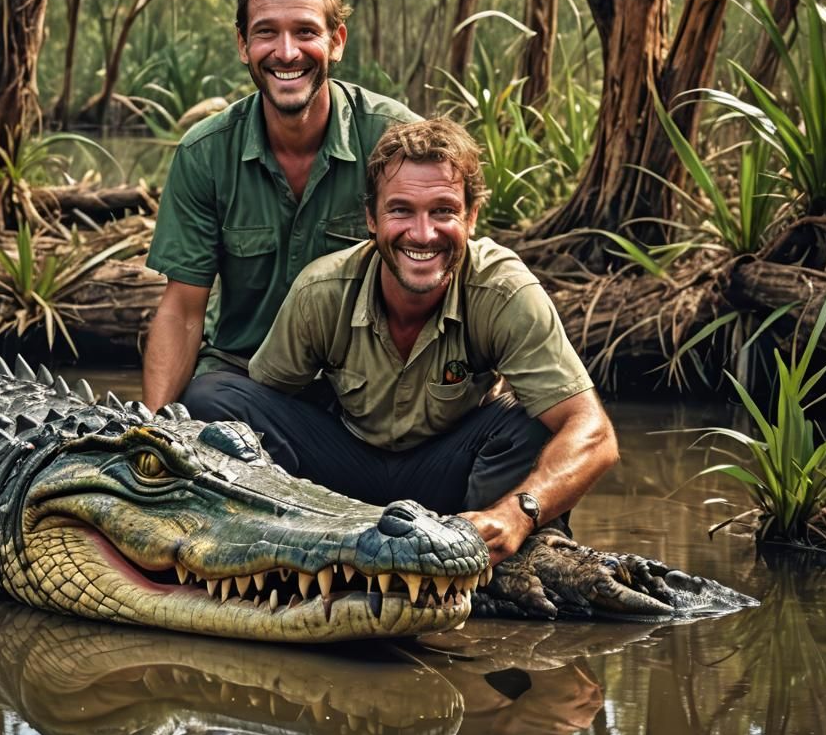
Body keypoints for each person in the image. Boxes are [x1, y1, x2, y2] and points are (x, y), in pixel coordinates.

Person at [183, 118, 619, 564]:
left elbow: (594, 433)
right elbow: (265, 408)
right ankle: (284, 545)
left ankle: (494, 551)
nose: (423, 234)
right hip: (342, 471)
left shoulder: (505, 291)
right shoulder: (322, 289)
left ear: (470, 217)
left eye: (444, 211)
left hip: (453, 479)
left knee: (534, 423)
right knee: (213, 397)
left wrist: (519, 512)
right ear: (371, 218)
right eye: (401, 210)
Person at [142, 0, 418, 412]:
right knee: (206, 401)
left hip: (364, 389)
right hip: (243, 382)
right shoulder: (205, 153)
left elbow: (445, 274)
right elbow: (184, 311)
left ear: (337, 41)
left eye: (306, 32)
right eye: (266, 32)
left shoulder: (395, 143)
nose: (286, 52)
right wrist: (148, 439)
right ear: (243, 45)